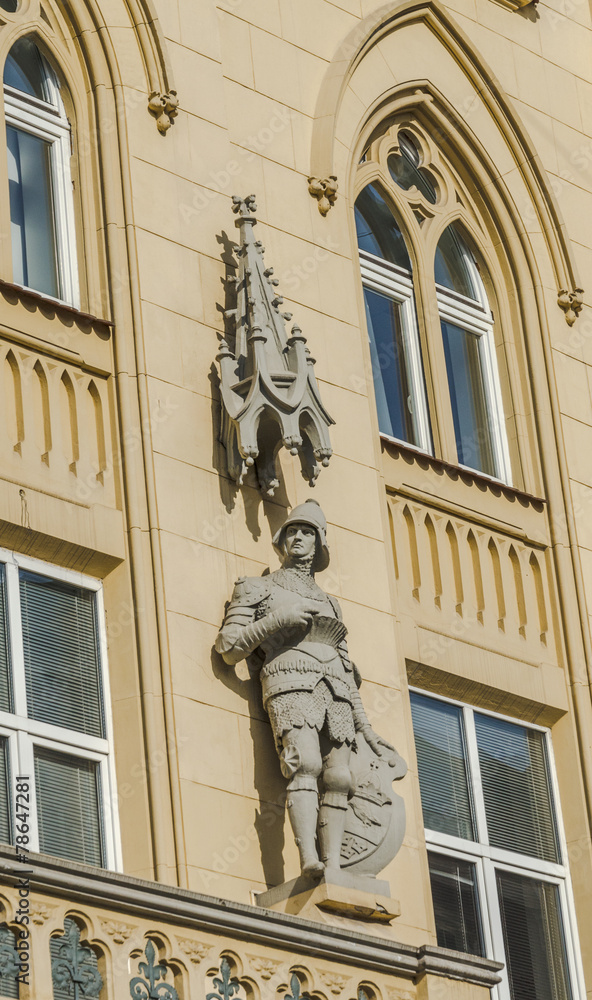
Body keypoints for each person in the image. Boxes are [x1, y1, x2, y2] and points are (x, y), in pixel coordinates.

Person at [215, 500, 394, 877]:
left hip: (338, 694)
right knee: (306, 765)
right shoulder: (257, 587)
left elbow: (346, 666)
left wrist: (367, 727)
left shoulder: (332, 603)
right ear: (282, 541)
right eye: (292, 531)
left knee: (340, 778)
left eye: (307, 532)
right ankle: (307, 858)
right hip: (289, 680)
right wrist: (278, 619)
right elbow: (228, 647)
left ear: (319, 543)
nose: (298, 537)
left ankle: (332, 865)